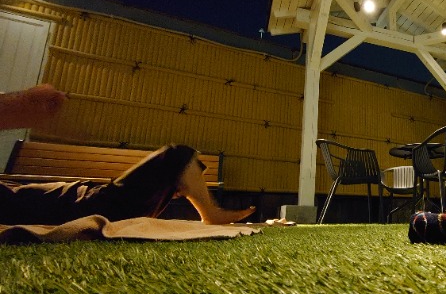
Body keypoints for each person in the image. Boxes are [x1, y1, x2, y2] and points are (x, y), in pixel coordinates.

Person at [0, 84, 255, 225]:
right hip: (85, 206)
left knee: (177, 159)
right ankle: (210, 213)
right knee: (177, 156)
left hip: (78, 196)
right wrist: (19, 105)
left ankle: (205, 208)